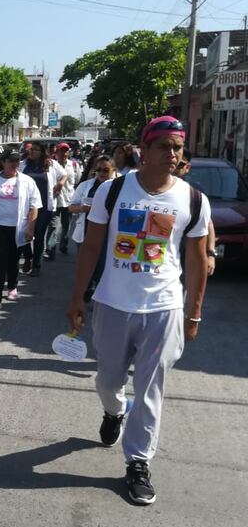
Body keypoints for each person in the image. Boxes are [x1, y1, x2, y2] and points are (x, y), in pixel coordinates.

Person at [66, 116, 211, 506]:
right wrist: (77, 296)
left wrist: (193, 313)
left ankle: (138, 462)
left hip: (164, 309)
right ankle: (114, 411)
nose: (172, 153)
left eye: (178, 146)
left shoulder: (193, 200)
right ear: (142, 151)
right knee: (107, 380)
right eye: (163, 145)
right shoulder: (112, 192)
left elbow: (196, 262)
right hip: (113, 304)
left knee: (150, 390)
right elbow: (92, 248)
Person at [0, 150, 41, 312]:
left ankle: (12, 286)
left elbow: (34, 206)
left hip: (18, 228)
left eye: (17, 161)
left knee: (13, 261)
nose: (14, 164)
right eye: (10, 161)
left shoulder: (27, 181)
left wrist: (30, 229)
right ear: (3, 162)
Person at [68, 155, 117, 300]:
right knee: (86, 265)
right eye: (99, 170)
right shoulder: (85, 186)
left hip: (109, 234)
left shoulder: (119, 187)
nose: (102, 173)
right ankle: (87, 289)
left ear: (113, 170)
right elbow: (71, 207)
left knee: (103, 267)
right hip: (86, 232)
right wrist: (83, 208)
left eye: (106, 170)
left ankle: (101, 293)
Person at [19, 142, 64, 275]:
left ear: (43, 152)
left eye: (36, 150)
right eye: (31, 149)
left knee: (39, 236)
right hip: (25, 207)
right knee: (23, 235)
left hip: (44, 207)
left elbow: (64, 174)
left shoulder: (51, 164)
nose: (32, 152)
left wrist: (60, 184)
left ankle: (36, 265)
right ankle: (28, 257)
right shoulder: (24, 165)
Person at [174, 149, 218, 277]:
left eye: (180, 165)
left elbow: (208, 223)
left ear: (187, 168)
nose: (176, 168)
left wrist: (210, 254)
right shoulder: (156, 188)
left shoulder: (195, 194)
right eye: (175, 163)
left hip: (185, 253)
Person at [49, 142, 82, 257]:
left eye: (66, 151)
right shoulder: (51, 165)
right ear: (56, 152)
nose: (63, 153)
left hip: (69, 200)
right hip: (55, 201)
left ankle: (63, 245)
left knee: (66, 226)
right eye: (61, 151)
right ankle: (51, 249)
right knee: (53, 226)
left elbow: (77, 180)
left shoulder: (74, 165)